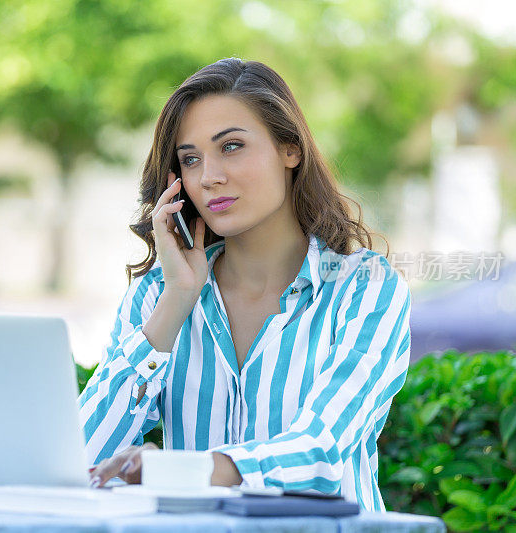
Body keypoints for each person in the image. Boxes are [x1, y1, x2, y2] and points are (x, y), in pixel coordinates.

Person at [77, 57, 411, 512]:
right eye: (190, 159)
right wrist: (176, 302)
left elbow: (322, 450)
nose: (208, 177)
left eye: (231, 147)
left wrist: (188, 472)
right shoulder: (160, 293)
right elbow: (81, 456)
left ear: (290, 149)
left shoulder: (364, 288)